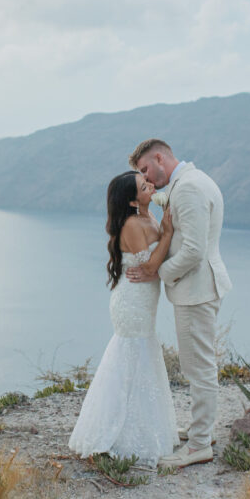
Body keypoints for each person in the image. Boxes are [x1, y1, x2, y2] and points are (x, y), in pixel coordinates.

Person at [126, 139, 232, 469]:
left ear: (160, 157)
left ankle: (199, 445)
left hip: (196, 290)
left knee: (198, 368)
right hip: (198, 287)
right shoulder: (192, 180)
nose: (146, 178)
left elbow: (193, 251)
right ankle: (201, 431)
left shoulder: (188, 188)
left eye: (145, 169)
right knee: (197, 364)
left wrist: (156, 271)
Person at [68, 170, 180, 466]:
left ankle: (145, 430)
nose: (152, 186)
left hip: (145, 301)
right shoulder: (132, 224)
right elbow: (151, 268)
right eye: (145, 186)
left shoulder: (148, 217)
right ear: (133, 201)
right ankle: (113, 435)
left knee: (143, 356)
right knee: (130, 357)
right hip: (131, 302)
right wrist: (167, 235)